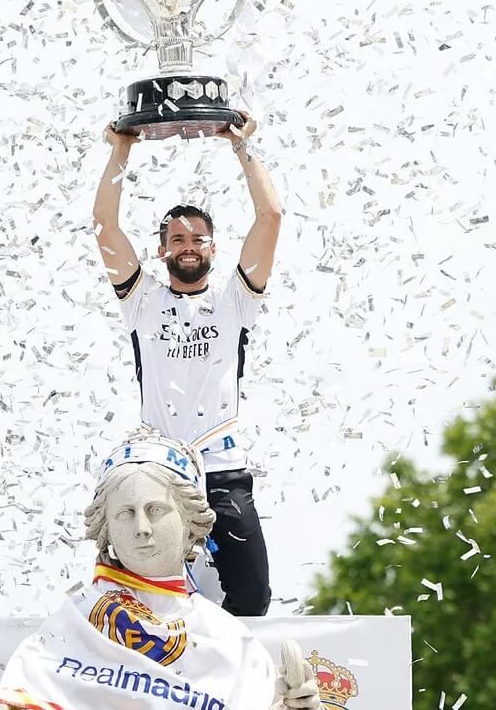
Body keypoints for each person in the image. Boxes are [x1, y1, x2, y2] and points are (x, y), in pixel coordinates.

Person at [91, 113, 282, 617]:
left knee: (253, 597)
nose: (189, 247)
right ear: (161, 251)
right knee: (141, 600)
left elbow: (271, 219)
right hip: (158, 469)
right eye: (177, 240)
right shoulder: (143, 301)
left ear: (213, 248)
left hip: (222, 468)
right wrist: (121, 149)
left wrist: (241, 147)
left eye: (198, 239)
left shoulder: (235, 300)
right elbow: (105, 227)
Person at [0, 429, 319, 710]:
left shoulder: (236, 646)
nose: (141, 527)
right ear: (105, 526)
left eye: (156, 509)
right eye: (125, 513)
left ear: (190, 519)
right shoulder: (63, 635)